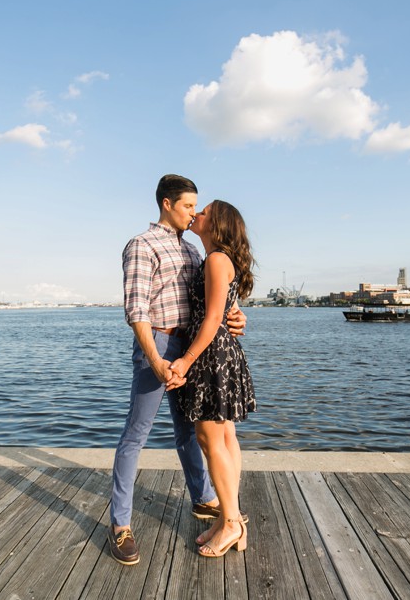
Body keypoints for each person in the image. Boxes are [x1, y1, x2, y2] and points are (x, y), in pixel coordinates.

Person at [108, 175, 246, 566]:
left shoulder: (192, 253)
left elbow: (213, 303)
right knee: (137, 433)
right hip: (161, 345)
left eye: (196, 208)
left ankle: (204, 497)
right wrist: (156, 360)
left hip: (192, 350)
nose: (193, 213)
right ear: (167, 204)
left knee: (188, 431)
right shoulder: (141, 245)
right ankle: (120, 524)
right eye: (188, 206)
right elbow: (136, 311)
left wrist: (237, 316)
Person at [169, 199, 256, 558]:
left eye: (203, 212)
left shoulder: (217, 260)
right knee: (225, 436)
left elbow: (212, 318)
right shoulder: (218, 260)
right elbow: (228, 312)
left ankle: (232, 522)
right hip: (220, 352)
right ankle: (228, 517)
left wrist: (186, 361)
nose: (196, 215)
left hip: (211, 355)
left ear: (216, 224)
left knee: (210, 437)